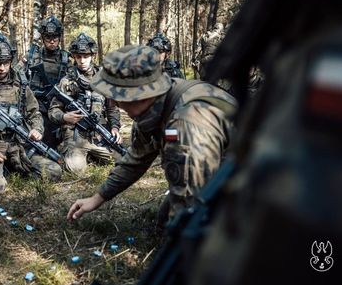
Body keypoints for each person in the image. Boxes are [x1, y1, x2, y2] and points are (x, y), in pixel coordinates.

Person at [66, 45, 237, 224]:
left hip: (254, 192)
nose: (114, 104)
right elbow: (136, 159)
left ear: (137, 96)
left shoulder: (186, 125)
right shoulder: (157, 103)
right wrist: (97, 198)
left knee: (181, 224)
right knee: (165, 216)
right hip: (225, 176)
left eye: (116, 96)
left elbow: (190, 204)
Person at [0, 32, 62, 194]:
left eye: (6, 63)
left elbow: (34, 112)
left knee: (53, 172)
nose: (2, 68)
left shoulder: (20, 84)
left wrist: (37, 130)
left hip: (17, 146)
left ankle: (8, 169)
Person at [48, 33, 122, 173]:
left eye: (86, 56)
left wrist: (115, 128)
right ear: (74, 57)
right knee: (75, 169)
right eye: (78, 56)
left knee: (123, 159)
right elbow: (53, 111)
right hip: (75, 136)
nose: (82, 60)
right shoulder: (66, 81)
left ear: (92, 56)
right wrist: (65, 117)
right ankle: (78, 155)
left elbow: (112, 109)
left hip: (99, 134)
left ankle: (92, 156)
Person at [22, 15, 72, 149]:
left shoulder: (65, 59)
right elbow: (17, 77)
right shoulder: (32, 56)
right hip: (35, 107)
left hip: (55, 108)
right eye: (48, 37)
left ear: (59, 38)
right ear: (43, 38)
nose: (51, 41)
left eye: (55, 37)